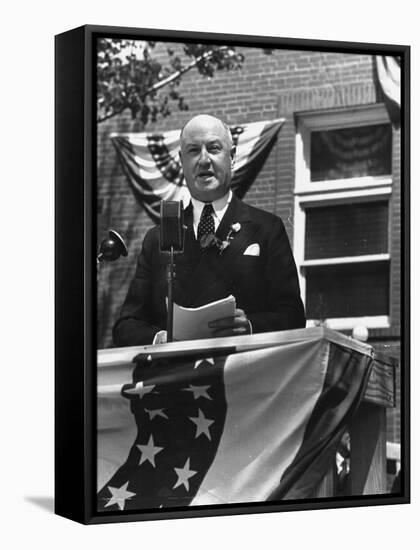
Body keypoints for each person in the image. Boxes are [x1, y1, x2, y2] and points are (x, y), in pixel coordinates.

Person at [113, 114, 305, 346]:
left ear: (232, 156)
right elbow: (126, 326)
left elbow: (293, 316)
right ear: (182, 162)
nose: (204, 160)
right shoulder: (157, 238)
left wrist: (251, 326)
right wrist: (160, 338)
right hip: (176, 375)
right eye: (193, 151)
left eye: (214, 148)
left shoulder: (266, 229)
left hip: (240, 373)